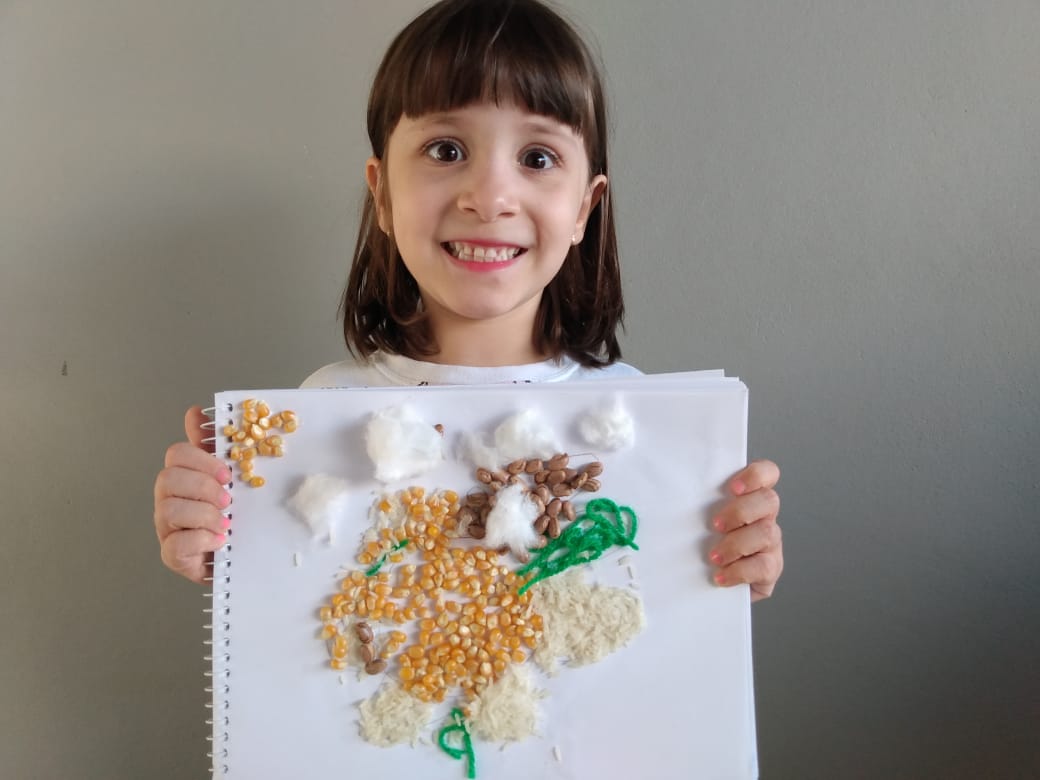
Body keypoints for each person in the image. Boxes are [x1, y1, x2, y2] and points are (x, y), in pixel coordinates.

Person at [153, 0, 783, 601]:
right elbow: (301, 598)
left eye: (537, 157)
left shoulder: (639, 423)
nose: (489, 197)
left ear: (583, 209)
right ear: (383, 194)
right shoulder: (323, 413)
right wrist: (225, 550)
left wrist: (729, 571)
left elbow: (658, 611)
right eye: (446, 151)